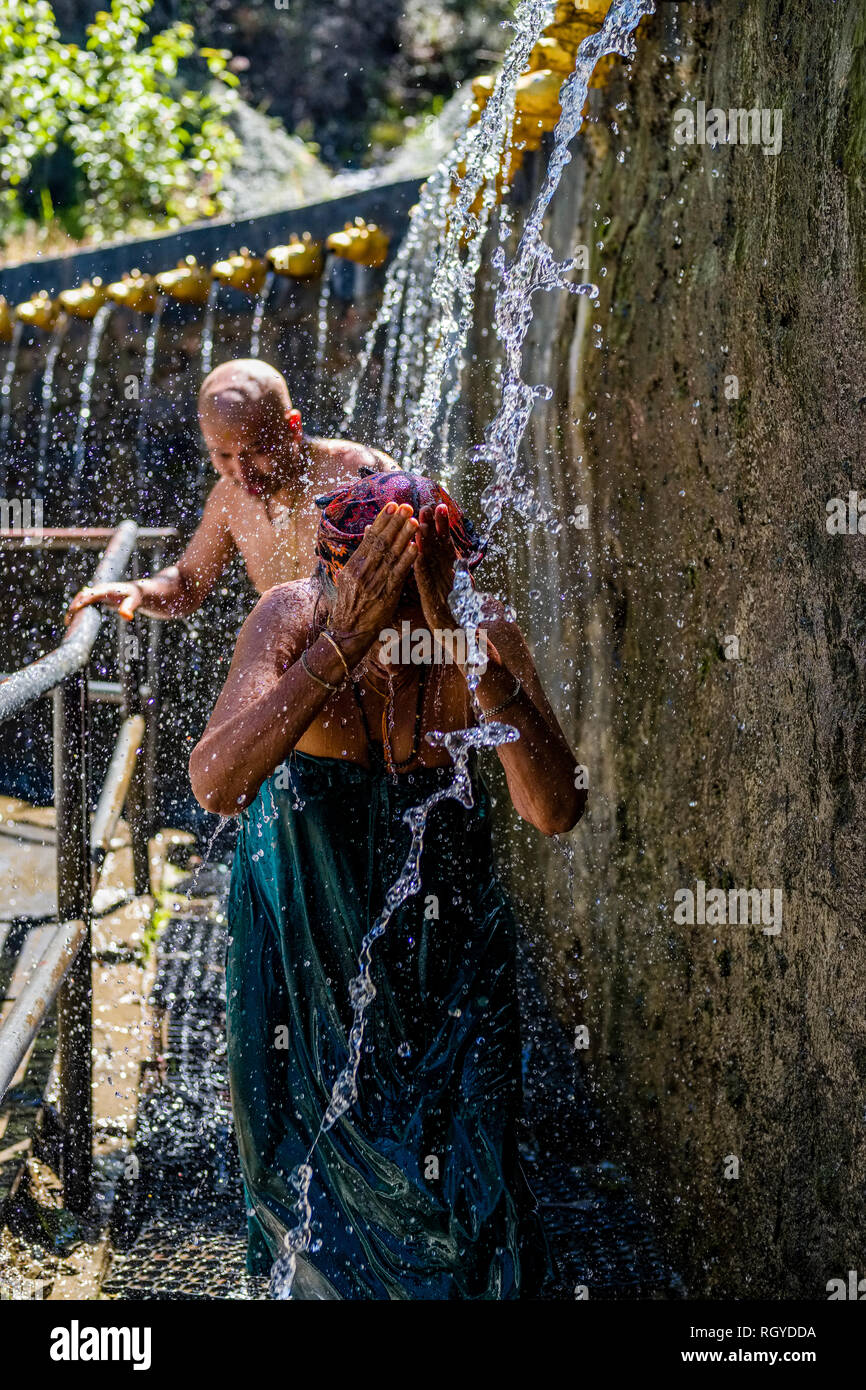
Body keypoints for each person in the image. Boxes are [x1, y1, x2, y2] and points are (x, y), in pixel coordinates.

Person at [190, 471, 586, 1299]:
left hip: (446, 954)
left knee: (476, 1169)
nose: (395, 653)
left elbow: (554, 810)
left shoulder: (477, 635)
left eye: (413, 624)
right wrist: (336, 651)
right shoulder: (293, 619)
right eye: (383, 619)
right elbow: (218, 783)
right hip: (302, 941)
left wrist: (467, 650)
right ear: (339, 579)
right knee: (300, 1158)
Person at [65, 359, 397, 624]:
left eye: (256, 450)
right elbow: (186, 584)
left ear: (293, 427)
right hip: (300, 672)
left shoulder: (358, 475)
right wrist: (139, 591)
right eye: (223, 455)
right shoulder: (228, 498)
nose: (242, 471)